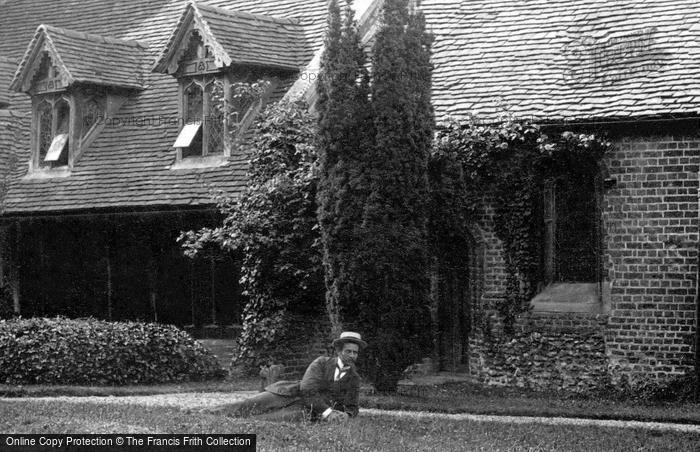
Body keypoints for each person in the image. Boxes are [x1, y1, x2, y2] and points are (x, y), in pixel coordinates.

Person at [204, 331, 366, 422]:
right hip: (288, 393)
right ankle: (203, 412)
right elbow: (307, 389)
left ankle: (234, 425)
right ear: (339, 351)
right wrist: (328, 412)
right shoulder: (322, 362)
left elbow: (352, 406)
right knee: (249, 404)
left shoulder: (354, 378)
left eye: (355, 352)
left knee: (265, 419)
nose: (352, 355)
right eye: (348, 351)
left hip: (308, 411)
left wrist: (347, 414)